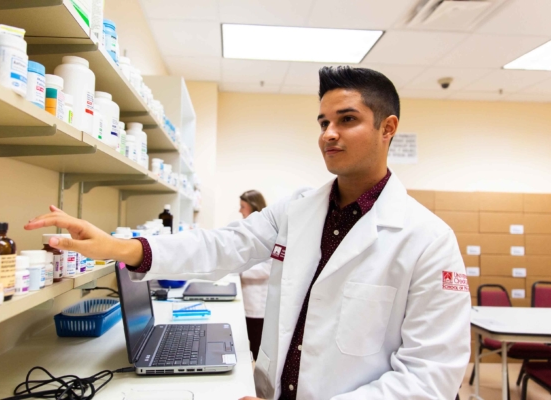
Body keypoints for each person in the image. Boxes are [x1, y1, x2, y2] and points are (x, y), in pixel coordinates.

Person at [25, 66, 471, 400]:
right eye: (322, 122)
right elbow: (224, 245)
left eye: (347, 120)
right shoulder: (297, 210)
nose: (328, 134)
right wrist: (120, 247)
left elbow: (429, 376)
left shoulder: (428, 240)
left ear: (387, 128)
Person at [239, 190, 272, 362]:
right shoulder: (248, 229)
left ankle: (257, 385)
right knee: (250, 343)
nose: (240, 211)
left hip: (257, 300)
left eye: (243, 207)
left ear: (253, 208)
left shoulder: (269, 233)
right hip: (247, 296)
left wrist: (240, 271)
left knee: (256, 345)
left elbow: (268, 269)